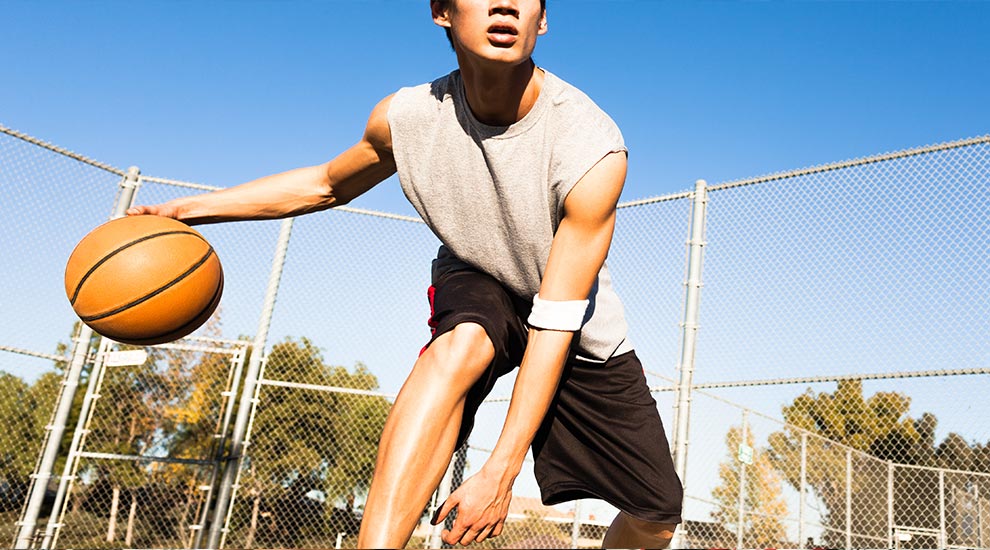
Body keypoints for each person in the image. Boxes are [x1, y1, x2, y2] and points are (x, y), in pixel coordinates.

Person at [127, 0, 683, 547]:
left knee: (657, 514)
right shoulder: (408, 117)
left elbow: (556, 317)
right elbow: (324, 183)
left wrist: (500, 471)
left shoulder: (590, 145)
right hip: (478, 270)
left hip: (569, 316)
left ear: (542, 19)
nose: (506, 5)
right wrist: (187, 210)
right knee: (461, 344)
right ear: (442, 11)